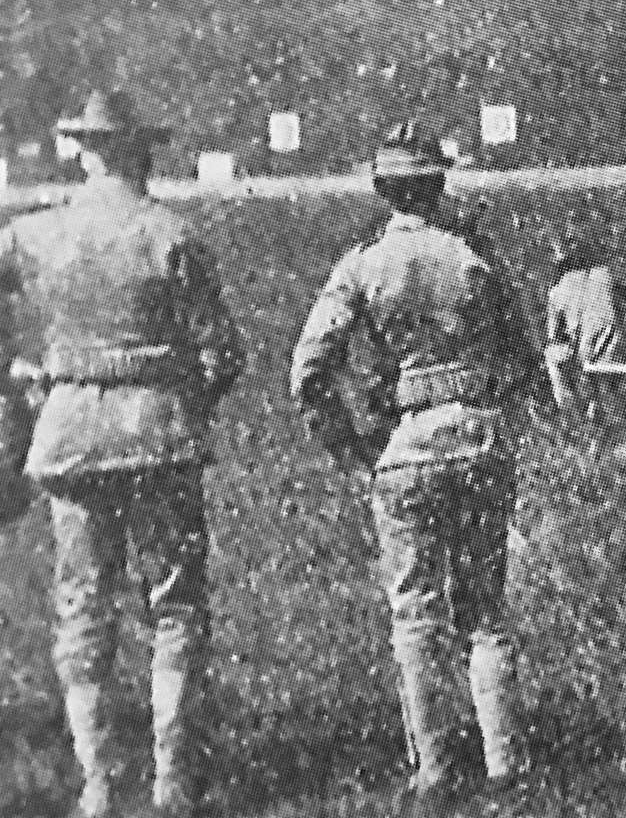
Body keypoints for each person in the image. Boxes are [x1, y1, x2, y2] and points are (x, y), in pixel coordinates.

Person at [0, 89, 245, 818]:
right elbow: (223, 352)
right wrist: (187, 396)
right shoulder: (172, 234)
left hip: (71, 433)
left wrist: (22, 371)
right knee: (175, 605)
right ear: (141, 150)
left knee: (83, 604)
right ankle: (172, 779)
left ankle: (98, 784)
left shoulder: (30, 235)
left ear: (78, 149)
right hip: (162, 433)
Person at [289, 123, 543, 813]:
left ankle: (432, 765)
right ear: (439, 184)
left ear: (381, 189)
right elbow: (522, 356)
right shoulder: (472, 255)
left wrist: (349, 445)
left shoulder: (361, 264)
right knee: (485, 611)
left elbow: (307, 372)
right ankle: (504, 762)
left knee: (415, 611)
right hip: (478, 433)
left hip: (405, 446)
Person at [545, 218, 626, 426]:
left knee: (553, 354)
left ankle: (573, 414)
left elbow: (554, 339)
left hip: (590, 360)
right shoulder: (605, 275)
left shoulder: (556, 293)